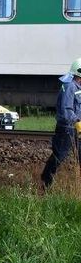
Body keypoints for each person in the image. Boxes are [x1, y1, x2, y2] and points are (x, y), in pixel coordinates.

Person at [40, 57, 81, 192]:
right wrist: (77, 121)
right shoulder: (69, 87)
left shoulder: (77, 87)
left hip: (76, 128)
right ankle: (46, 181)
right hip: (67, 128)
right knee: (59, 156)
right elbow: (66, 109)